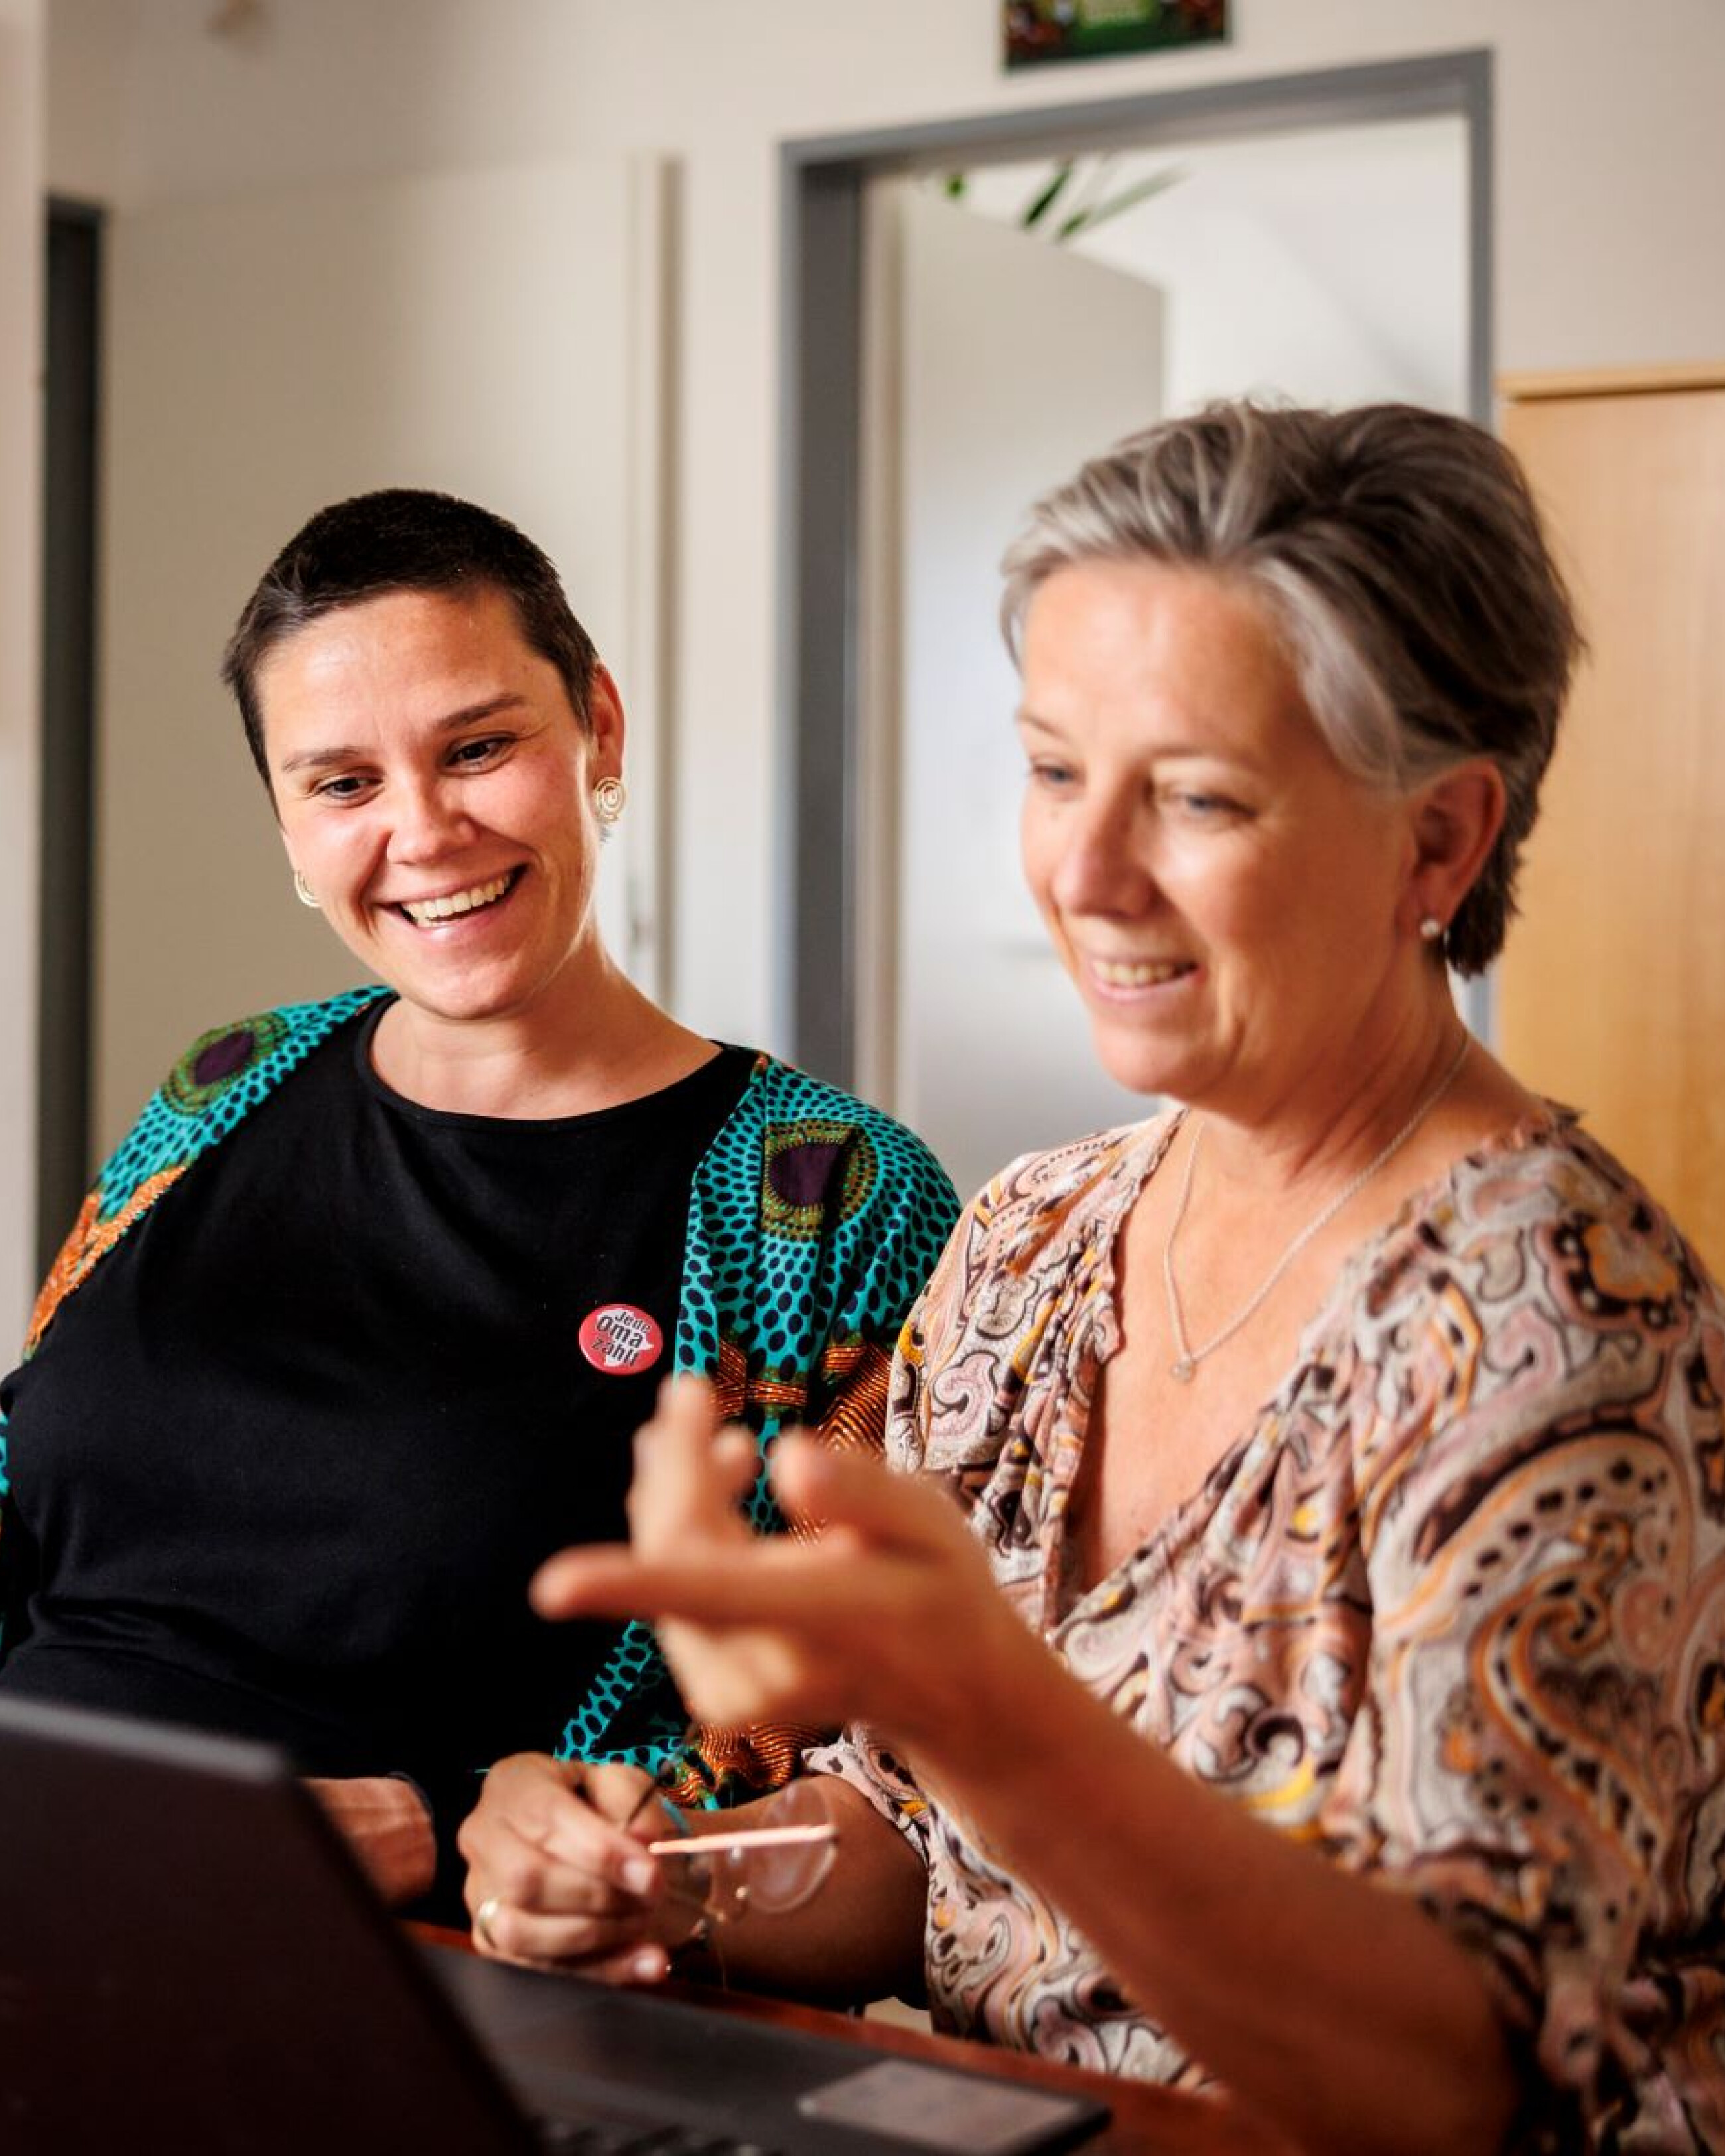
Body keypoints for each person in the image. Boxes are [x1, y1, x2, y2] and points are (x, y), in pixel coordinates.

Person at [458, 405, 1725, 2155]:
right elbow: (920, 1855)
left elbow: (1459, 2079)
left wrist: (987, 1705)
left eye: (1195, 797)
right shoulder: (1029, 1245)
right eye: (1056, 770)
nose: (1080, 869)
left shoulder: (1556, 1320)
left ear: (1438, 842)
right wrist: (669, 1884)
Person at [0, 488, 958, 1920]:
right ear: (285, 822)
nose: (425, 830)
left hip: (389, 1967)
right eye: (341, 783)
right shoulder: (225, 1082)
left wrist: (438, 1824)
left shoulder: (822, 1197)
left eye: (478, 746)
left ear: (600, 729)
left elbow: (847, 1761)